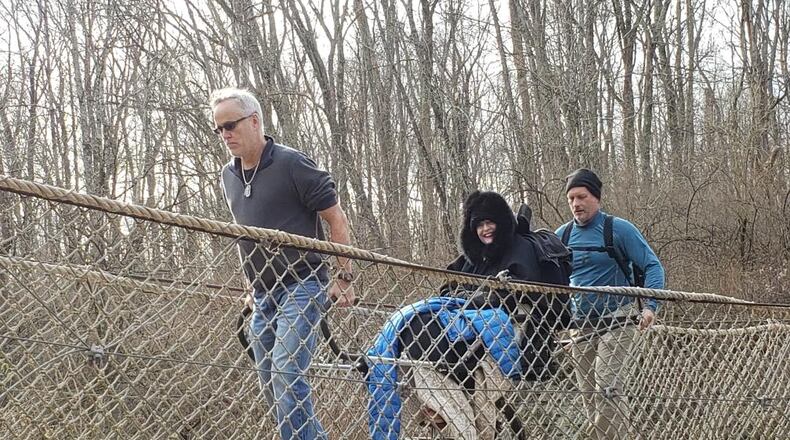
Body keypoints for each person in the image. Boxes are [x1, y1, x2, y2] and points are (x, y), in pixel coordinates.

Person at [367, 190, 571, 440]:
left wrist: (483, 299)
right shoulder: (474, 257)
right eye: (479, 225)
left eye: (490, 223)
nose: (485, 229)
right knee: (414, 321)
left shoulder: (521, 248)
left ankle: (459, 423)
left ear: (502, 223)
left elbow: (525, 294)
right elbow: (449, 286)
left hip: (510, 332)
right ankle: (445, 410)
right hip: (463, 335)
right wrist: (463, 298)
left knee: (423, 326)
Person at [211, 87, 354, 439]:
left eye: (231, 125)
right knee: (270, 382)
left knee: (287, 374)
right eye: (218, 129)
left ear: (255, 121)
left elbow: (335, 218)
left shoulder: (293, 164)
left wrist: (345, 277)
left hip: (302, 284)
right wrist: (249, 286)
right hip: (262, 294)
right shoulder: (228, 177)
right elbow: (244, 236)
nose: (225, 134)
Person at [555, 168, 665, 440]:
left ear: (596, 198)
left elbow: (653, 266)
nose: (576, 204)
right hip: (580, 325)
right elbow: (550, 279)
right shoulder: (562, 236)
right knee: (589, 394)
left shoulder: (618, 229)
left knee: (607, 386)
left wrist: (651, 306)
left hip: (618, 318)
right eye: (571, 199)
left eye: (581, 196)